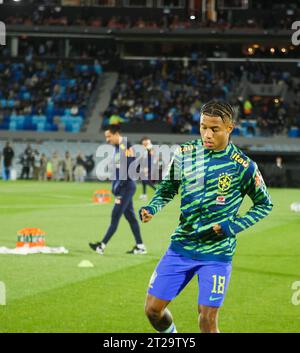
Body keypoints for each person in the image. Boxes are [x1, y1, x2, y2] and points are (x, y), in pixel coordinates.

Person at [140, 100, 273, 333]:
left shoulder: (243, 166)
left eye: (214, 129)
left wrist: (232, 226)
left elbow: (264, 204)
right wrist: (153, 207)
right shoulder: (184, 154)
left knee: (207, 320)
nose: (207, 134)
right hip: (181, 246)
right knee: (152, 310)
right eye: (203, 127)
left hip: (217, 253)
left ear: (229, 128)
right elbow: (167, 189)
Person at [89, 125, 147, 255]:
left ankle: (101, 246)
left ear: (116, 134)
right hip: (124, 187)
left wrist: (118, 186)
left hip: (125, 187)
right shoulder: (117, 148)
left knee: (115, 215)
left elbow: (129, 168)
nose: (107, 140)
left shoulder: (125, 147)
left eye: (109, 136)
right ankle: (140, 246)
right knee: (131, 218)